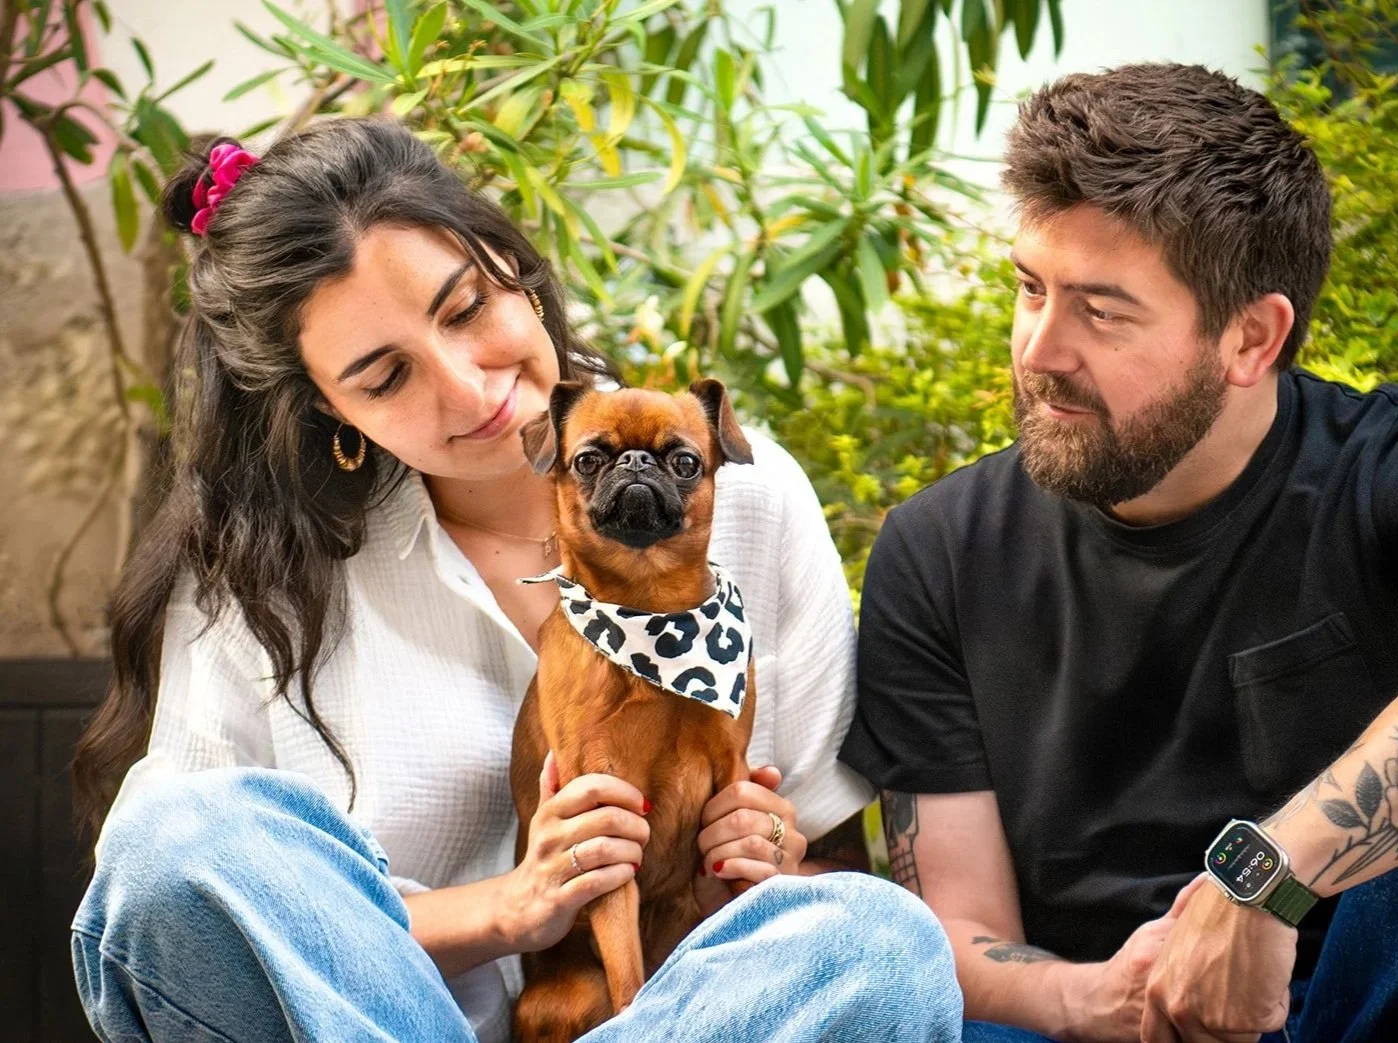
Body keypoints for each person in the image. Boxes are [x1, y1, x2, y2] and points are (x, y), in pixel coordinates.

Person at [69, 117, 963, 1043]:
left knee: (878, 939)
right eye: (384, 378)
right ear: (325, 406)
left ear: (513, 265)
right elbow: (171, 895)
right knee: (179, 833)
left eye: (465, 310)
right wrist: (511, 908)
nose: (467, 388)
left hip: (682, 1013)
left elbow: (827, 875)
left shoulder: (745, 494)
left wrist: (759, 860)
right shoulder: (259, 579)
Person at [840, 62, 1398, 1043]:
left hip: (1369, 1004)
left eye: (1099, 310)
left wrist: (1265, 878)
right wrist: (1089, 998)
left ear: (1250, 338)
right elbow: (957, 926)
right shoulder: (936, 548)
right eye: (1028, 288)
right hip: (1088, 1014)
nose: (1037, 350)